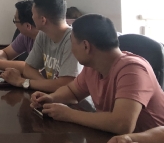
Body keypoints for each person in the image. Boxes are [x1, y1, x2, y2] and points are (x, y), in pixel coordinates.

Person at [31, 14, 164, 134]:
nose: (72, 49)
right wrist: (51, 98)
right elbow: (72, 92)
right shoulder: (92, 67)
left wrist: (69, 114)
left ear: (86, 46)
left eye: (72, 43)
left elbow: (122, 124)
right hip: (116, 142)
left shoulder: (133, 69)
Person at [1, 0, 81, 92]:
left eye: (33, 14)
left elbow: (66, 85)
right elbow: (28, 69)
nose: (32, 17)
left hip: (74, 101)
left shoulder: (73, 40)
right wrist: (46, 85)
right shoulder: (43, 34)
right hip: (53, 96)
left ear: (43, 20)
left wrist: (22, 82)